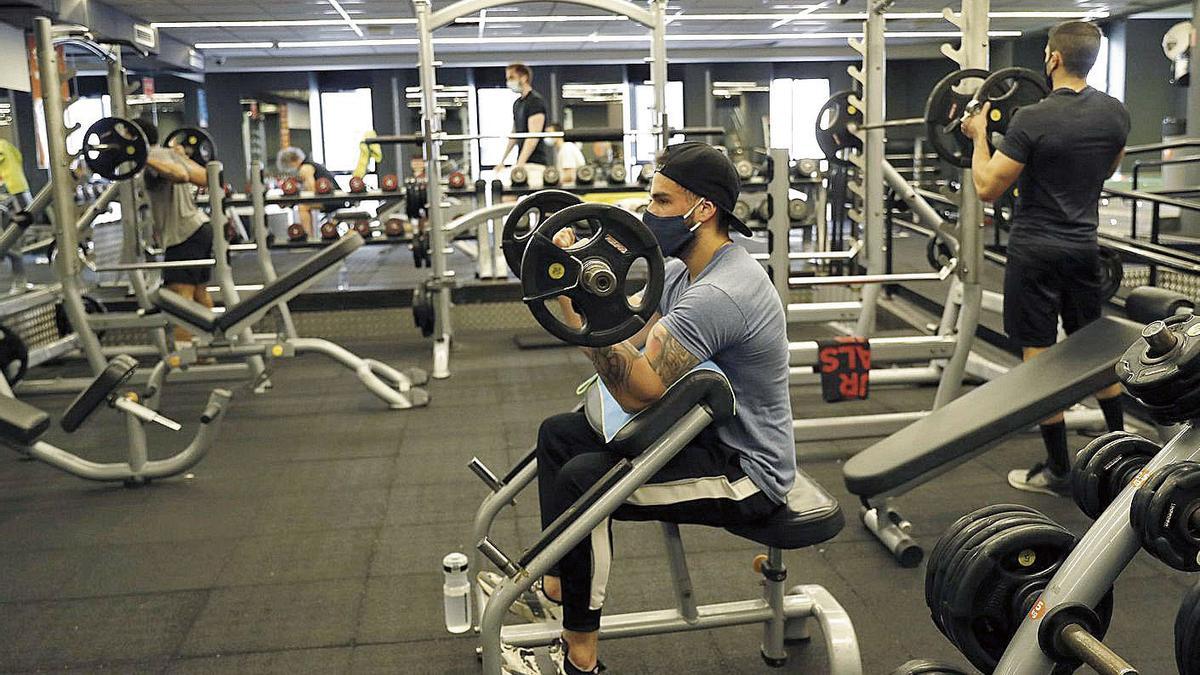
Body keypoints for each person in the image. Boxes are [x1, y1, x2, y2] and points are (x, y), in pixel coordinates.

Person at [481, 142, 795, 675]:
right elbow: (630, 338)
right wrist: (568, 287)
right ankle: (557, 587)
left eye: (661, 201)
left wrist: (583, 300)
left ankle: (580, 657)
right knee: (559, 436)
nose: (649, 214)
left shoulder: (722, 292)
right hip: (700, 435)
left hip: (746, 472)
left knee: (587, 481)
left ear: (703, 210)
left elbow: (638, 389)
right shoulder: (683, 270)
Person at [963, 20, 1130, 496]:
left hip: (1035, 250)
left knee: (1038, 357)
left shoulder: (1031, 119)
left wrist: (979, 136)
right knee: (1095, 353)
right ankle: (1123, 456)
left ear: (1053, 59)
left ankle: (1059, 470)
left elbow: (987, 187)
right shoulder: (1115, 114)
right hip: (1083, 248)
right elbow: (1109, 166)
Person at [137, 116, 215, 344]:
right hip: (198, 227)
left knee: (179, 298)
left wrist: (145, 159)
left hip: (184, 234)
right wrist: (179, 157)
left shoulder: (153, 159)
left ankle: (186, 357)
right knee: (199, 294)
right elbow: (207, 177)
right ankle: (208, 351)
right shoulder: (168, 153)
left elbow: (181, 176)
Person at [498, 63, 549, 175]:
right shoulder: (517, 104)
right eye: (507, 79)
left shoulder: (535, 102)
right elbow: (514, 134)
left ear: (524, 77)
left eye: (512, 78)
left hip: (535, 164)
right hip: (523, 163)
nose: (509, 82)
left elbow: (533, 137)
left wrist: (519, 165)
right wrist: (502, 161)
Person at [276, 146, 338, 237]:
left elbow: (312, 192)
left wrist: (294, 201)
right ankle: (310, 236)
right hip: (331, 198)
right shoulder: (309, 165)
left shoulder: (305, 168)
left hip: (333, 199)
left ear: (293, 161)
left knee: (303, 207)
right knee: (303, 205)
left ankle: (309, 238)